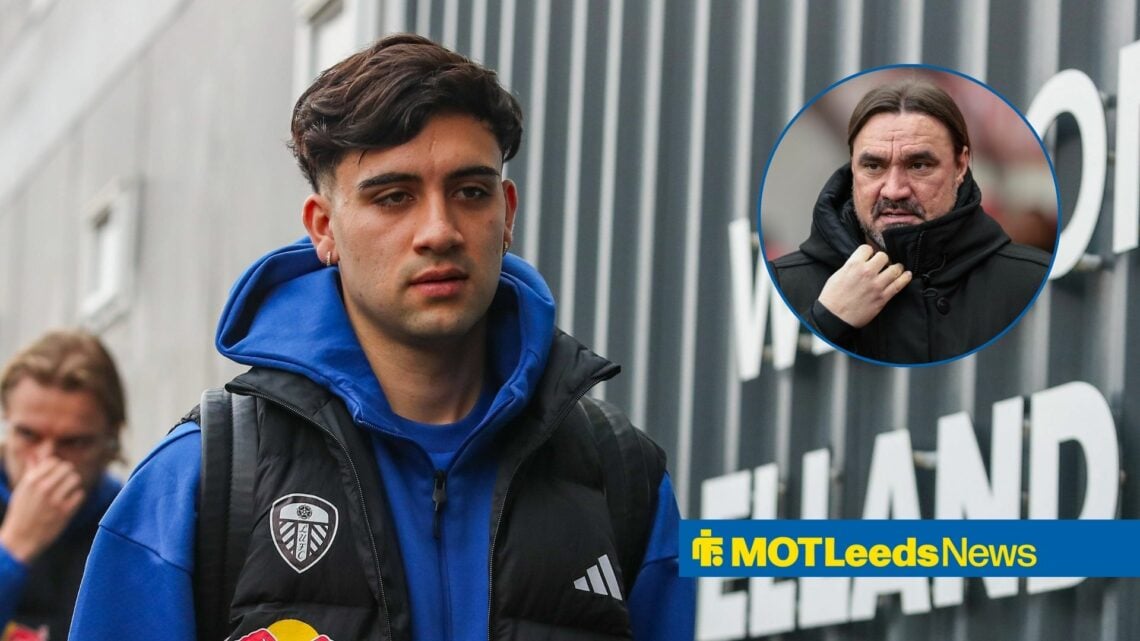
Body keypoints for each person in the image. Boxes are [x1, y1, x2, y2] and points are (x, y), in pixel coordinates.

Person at [70, 34, 694, 641]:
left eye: (470, 192)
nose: (439, 230)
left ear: (506, 213)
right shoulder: (198, 480)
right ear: (324, 228)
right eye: (394, 197)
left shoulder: (622, 479)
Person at [770, 79, 1052, 364]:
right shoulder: (783, 283)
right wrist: (828, 319)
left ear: (961, 165)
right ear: (852, 166)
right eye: (873, 165)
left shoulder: (1030, 281)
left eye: (919, 165)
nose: (894, 190)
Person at [0, 331, 124, 641]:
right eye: (28, 435)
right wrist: (13, 548)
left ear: (109, 442)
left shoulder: (126, 524)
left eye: (73, 442)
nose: (46, 460)